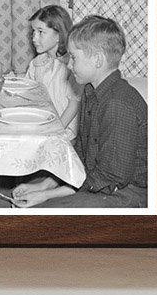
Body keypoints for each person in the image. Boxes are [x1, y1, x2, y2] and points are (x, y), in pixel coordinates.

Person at [11, 15, 147, 209]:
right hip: (101, 186)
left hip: (127, 195)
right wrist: (43, 186)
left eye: (74, 58)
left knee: (38, 211)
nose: (69, 64)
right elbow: (81, 159)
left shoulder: (117, 104)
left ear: (98, 60)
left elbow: (108, 180)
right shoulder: (92, 93)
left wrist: (46, 196)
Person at [25, 5, 81, 136]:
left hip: (65, 131)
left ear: (58, 35)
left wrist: (55, 132)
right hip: (43, 125)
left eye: (40, 32)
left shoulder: (71, 66)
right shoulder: (36, 63)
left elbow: (74, 105)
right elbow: (29, 93)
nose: (34, 38)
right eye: (33, 32)